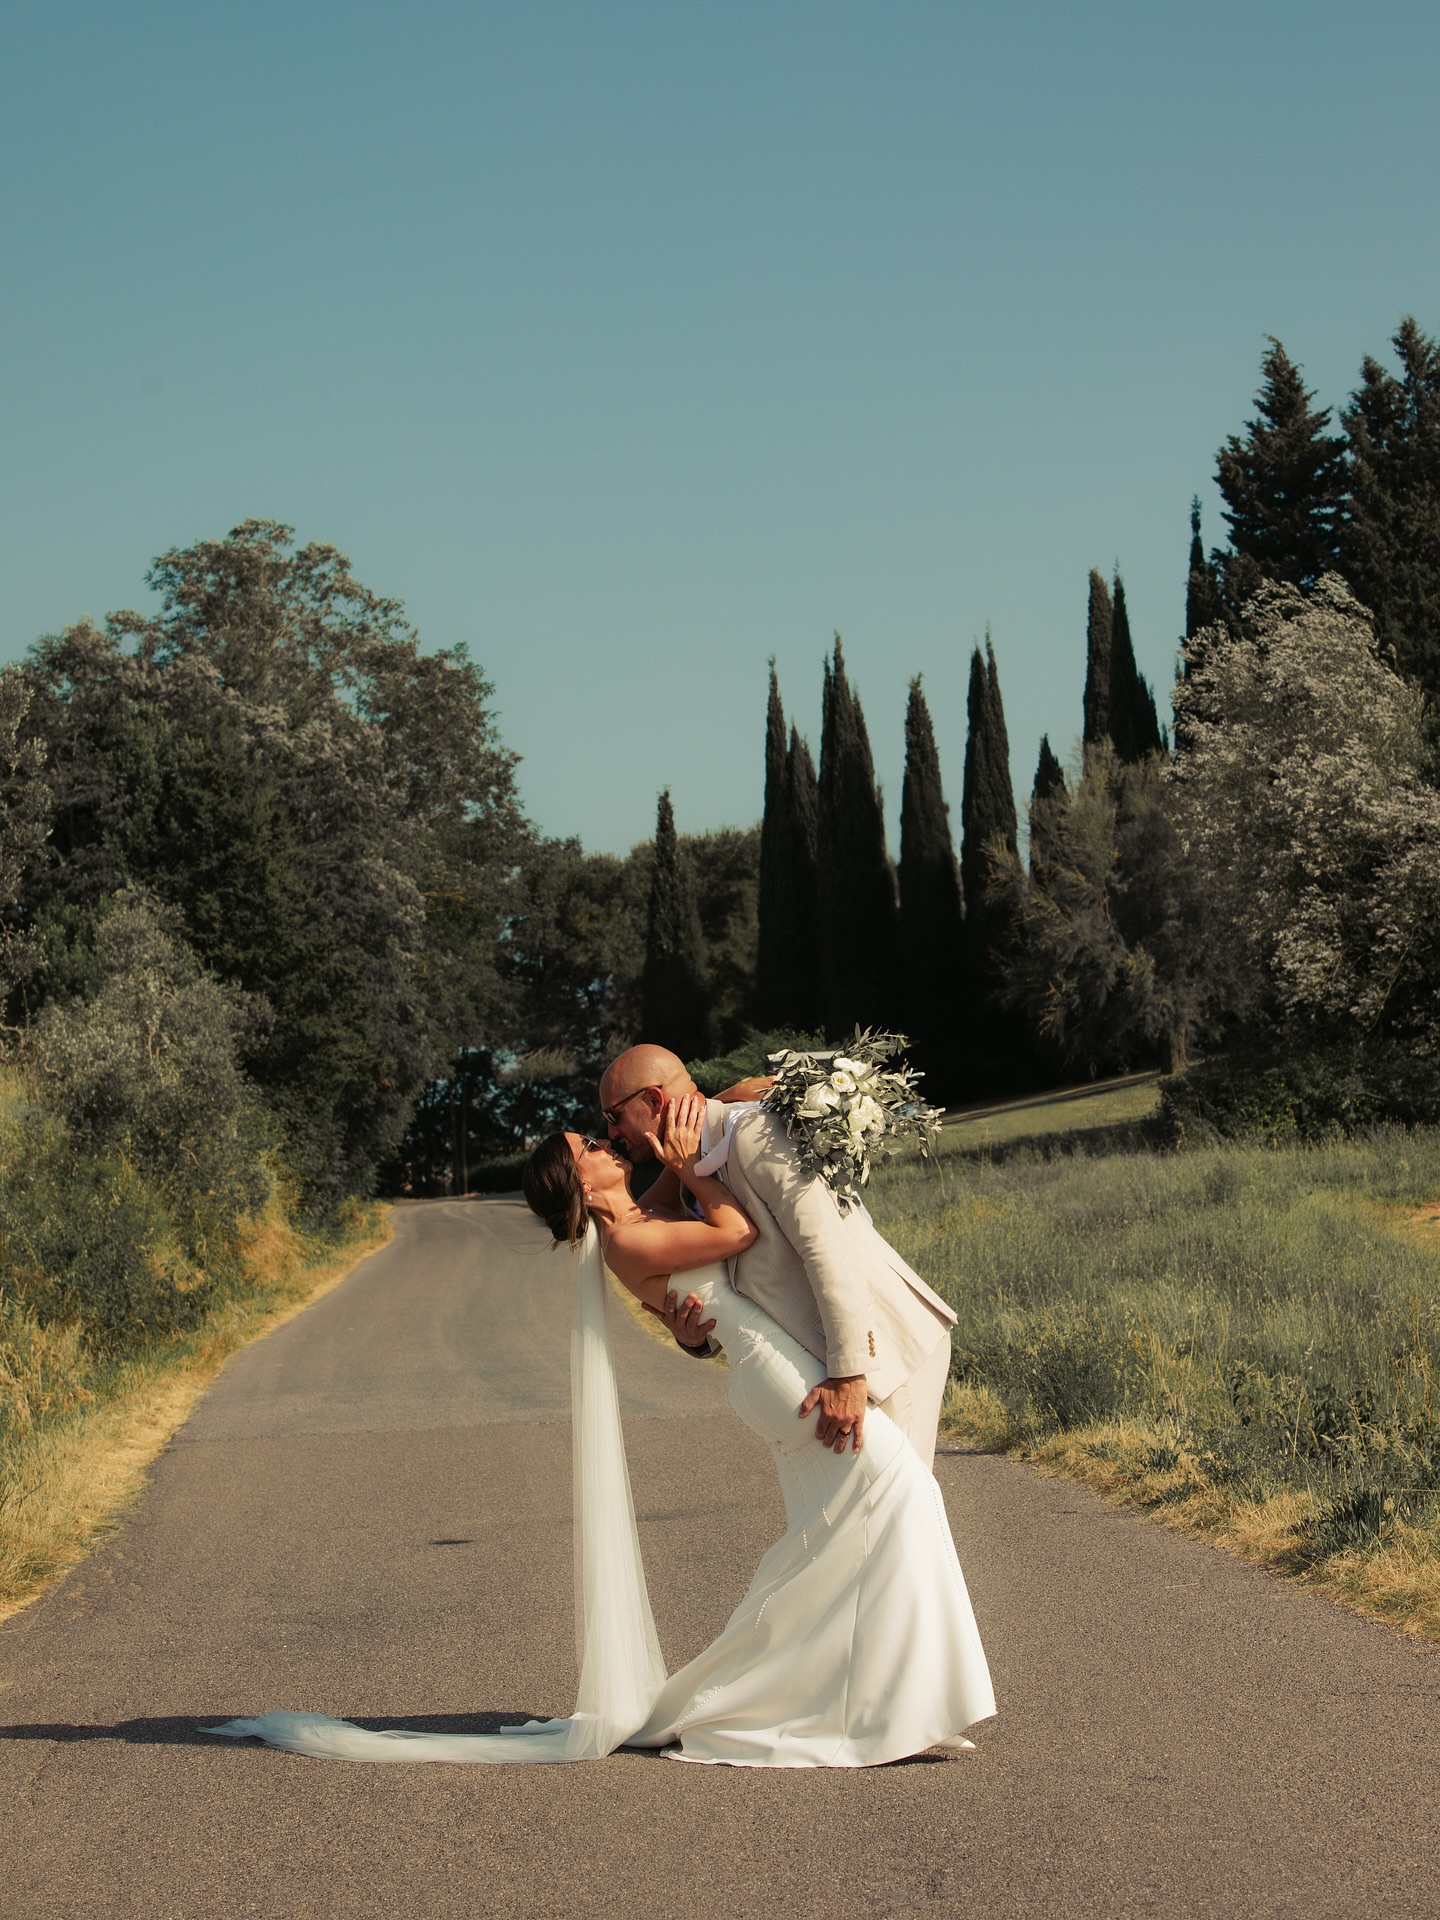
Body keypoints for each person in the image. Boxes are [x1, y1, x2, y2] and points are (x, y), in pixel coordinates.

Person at [523, 1097, 995, 1766]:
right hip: (776, 1375)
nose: (606, 1148)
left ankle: (894, 1703)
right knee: (904, 1497)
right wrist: (696, 1175)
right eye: (588, 1150)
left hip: (769, 1369)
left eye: (602, 1136)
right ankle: (844, 1703)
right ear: (578, 1184)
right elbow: (735, 1228)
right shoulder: (628, 1239)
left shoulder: (641, 1214)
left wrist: (738, 1100)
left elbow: (671, 1153)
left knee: (852, 1529)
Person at [598, 1044, 957, 1469]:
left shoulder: (749, 1133)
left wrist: (848, 1373)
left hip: (884, 1356)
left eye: (612, 1115)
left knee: (906, 1519)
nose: (611, 1132)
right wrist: (695, 1338)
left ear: (654, 1100)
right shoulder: (683, 1167)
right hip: (825, 1368)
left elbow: (825, 1244)